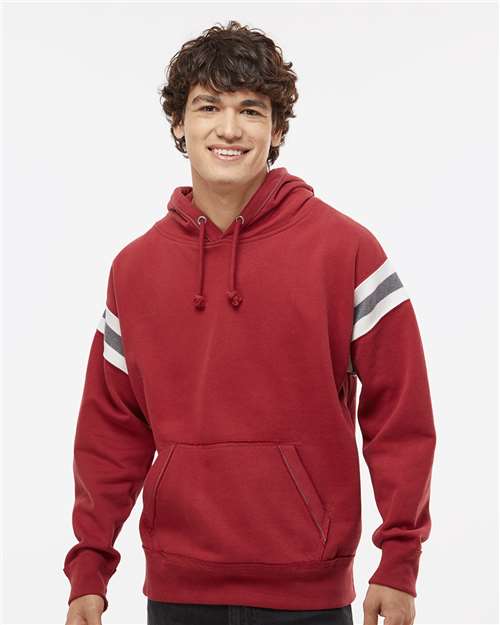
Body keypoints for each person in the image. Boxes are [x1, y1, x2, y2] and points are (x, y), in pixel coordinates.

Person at [63, 20, 436, 625]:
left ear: (277, 129)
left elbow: (401, 415)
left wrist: (399, 560)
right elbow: (111, 430)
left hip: (311, 593)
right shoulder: (134, 269)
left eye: (251, 110)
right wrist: (89, 566)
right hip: (178, 593)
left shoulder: (346, 251)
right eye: (209, 107)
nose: (229, 129)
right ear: (179, 124)